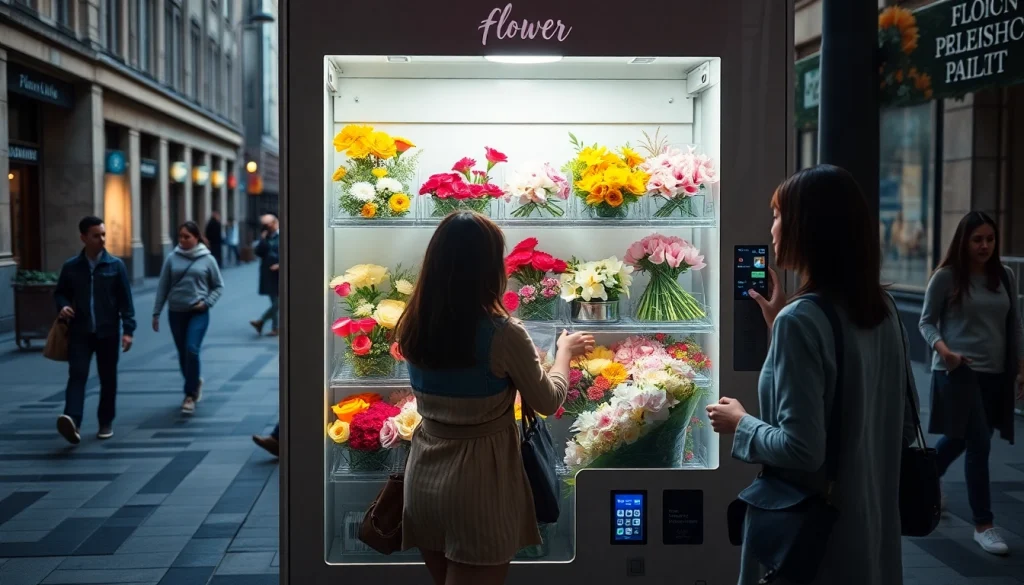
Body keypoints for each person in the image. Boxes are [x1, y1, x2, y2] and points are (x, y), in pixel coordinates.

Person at [706, 165, 917, 585]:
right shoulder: (885, 310)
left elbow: (802, 450)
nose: (772, 229)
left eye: (779, 215)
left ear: (808, 227)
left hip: (817, 539)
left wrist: (740, 423)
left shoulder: (801, 321)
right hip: (872, 529)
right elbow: (905, 425)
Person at [395, 212, 594, 585]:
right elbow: (549, 401)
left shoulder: (412, 323)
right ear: (488, 268)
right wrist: (564, 351)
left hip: (423, 472)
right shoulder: (504, 333)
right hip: (480, 481)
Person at [919, 211, 1024, 555]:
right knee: (979, 442)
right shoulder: (947, 277)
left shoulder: (1005, 277)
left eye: (990, 239)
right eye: (977, 239)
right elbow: (926, 323)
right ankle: (984, 525)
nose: (984, 245)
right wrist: (945, 352)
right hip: (957, 371)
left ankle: (919, 477)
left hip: (996, 373)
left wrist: (1020, 368)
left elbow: (1015, 326)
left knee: (963, 437)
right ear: (963, 241)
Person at [54, 216, 136, 444]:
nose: (101, 239)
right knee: (77, 375)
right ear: (83, 238)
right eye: (96, 235)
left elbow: (125, 301)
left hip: (108, 332)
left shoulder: (115, 265)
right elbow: (60, 292)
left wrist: (128, 330)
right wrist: (64, 306)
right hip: (80, 332)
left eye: (103, 234)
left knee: (108, 378)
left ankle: (105, 421)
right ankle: (72, 421)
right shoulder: (72, 267)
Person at [153, 221, 225, 415]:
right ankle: (194, 381)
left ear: (196, 238)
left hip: (198, 312)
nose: (183, 240)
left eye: (187, 237)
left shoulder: (207, 259)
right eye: (180, 237)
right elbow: (163, 286)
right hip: (176, 313)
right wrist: (156, 312)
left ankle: (189, 395)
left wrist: (207, 303)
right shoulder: (172, 258)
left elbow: (218, 286)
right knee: (183, 353)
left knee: (192, 350)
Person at [250, 213, 280, 336]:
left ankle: (262, 321)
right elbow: (258, 252)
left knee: (278, 303)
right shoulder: (266, 237)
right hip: (269, 273)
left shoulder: (284, 234)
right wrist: (262, 239)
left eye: (267, 225)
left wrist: (281, 264)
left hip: (282, 273)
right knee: (274, 301)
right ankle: (275, 327)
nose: (265, 228)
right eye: (263, 226)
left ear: (274, 223)